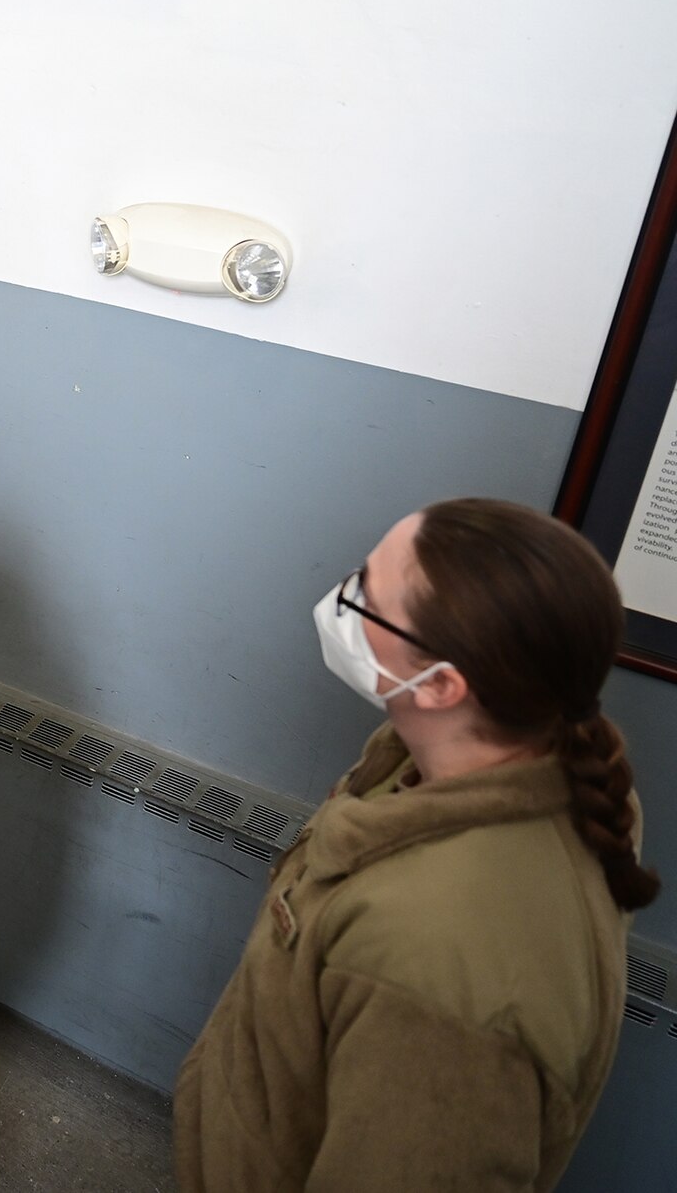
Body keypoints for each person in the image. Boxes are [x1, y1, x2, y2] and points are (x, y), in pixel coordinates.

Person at [175, 497, 660, 1192]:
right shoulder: (548, 770)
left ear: (440, 685)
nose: (343, 601)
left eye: (366, 596)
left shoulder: (440, 976)